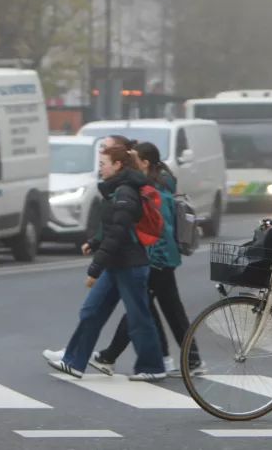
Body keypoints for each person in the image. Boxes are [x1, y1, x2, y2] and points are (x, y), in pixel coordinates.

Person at [43, 145, 166, 381]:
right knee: (91, 311)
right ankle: (74, 362)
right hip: (117, 263)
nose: (99, 169)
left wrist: (95, 267)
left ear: (117, 165)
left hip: (130, 265)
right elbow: (113, 228)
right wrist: (96, 241)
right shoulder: (117, 191)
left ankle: (153, 367)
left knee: (139, 317)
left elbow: (118, 233)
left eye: (103, 164)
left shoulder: (126, 192)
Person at [89, 142, 206, 377]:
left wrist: (152, 258)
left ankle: (110, 356)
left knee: (140, 308)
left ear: (143, 162)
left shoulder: (155, 188)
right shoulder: (157, 184)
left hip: (157, 257)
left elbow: (158, 229)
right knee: (166, 309)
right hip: (162, 257)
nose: (130, 163)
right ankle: (188, 360)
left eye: (134, 158)